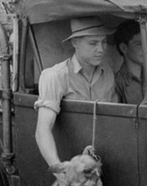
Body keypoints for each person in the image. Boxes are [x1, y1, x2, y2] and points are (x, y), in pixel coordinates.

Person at [34, 17, 118, 167]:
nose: (101, 49)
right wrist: (59, 169)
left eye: (104, 42)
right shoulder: (55, 76)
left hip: (104, 160)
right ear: (75, 43)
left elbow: (114, 121)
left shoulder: (108, 73)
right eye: (93, 43)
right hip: (69, 162)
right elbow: (43, 130)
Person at [113, 20, 144, 104]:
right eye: (139, 44)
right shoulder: (116, 83)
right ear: (124, 48)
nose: (146, 49)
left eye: (146, 44)